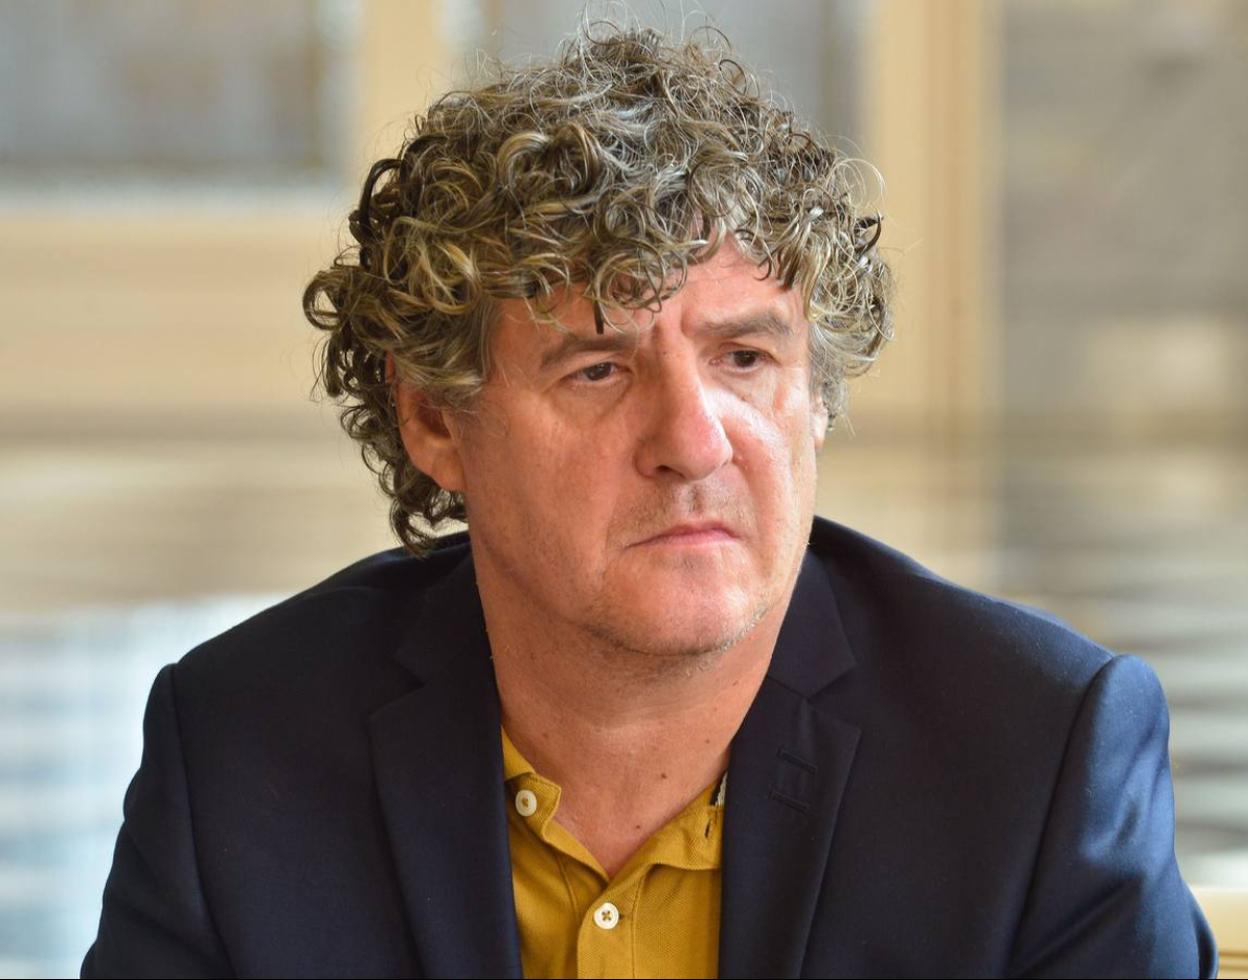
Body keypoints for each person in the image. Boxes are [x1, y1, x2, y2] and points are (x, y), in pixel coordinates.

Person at [83, 22, 1216, 980]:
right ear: (433, 419)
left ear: (816, 395)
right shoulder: (241, 745)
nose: (691, 442)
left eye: (745, 360)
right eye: (598, 369)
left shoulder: (1037, 756)